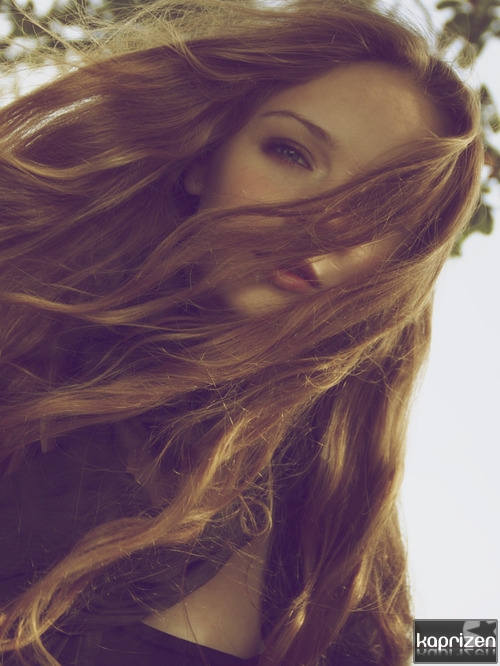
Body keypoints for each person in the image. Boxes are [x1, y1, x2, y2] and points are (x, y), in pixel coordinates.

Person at [0, 0, 483, 664]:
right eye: (291, 153)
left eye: (379, 206)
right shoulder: (30, 369)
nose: (324, 222)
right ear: (204, 159)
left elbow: (436, 644)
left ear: (400, 263)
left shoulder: (342, 508)